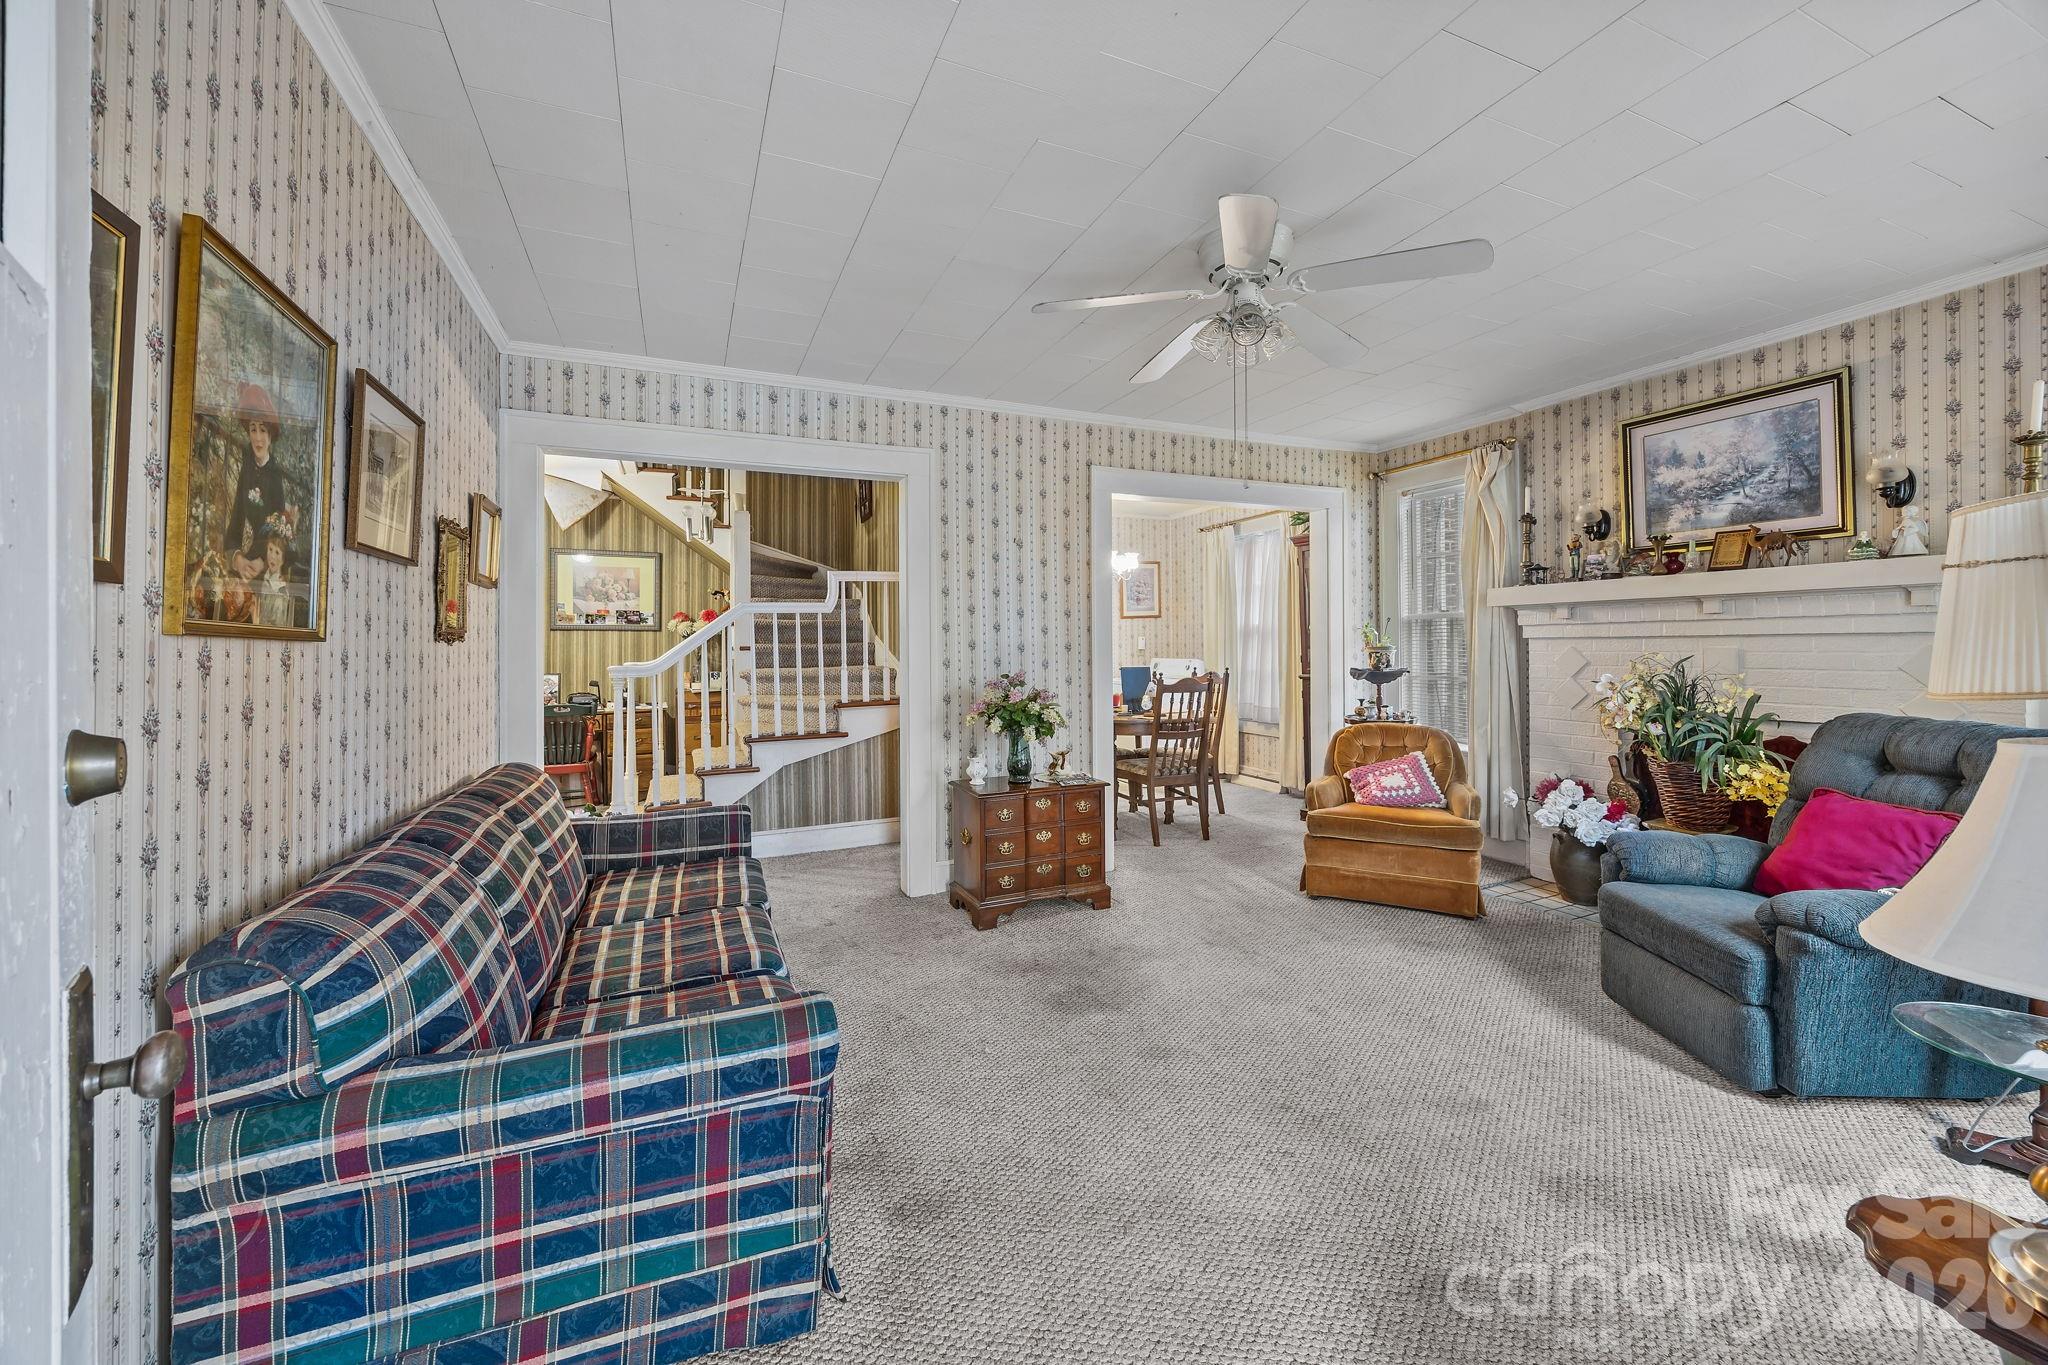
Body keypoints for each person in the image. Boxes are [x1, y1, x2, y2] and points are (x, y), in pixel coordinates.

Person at [226, 382, 296, 579]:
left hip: (265, 564)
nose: (258, 438)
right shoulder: (246, 468)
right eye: (253, 429)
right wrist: (237, 557)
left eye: (263, 430)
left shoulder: (274, 476)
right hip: (243, 563)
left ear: (271, 435)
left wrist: (262, 562)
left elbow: (281, 536)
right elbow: (236, 520)